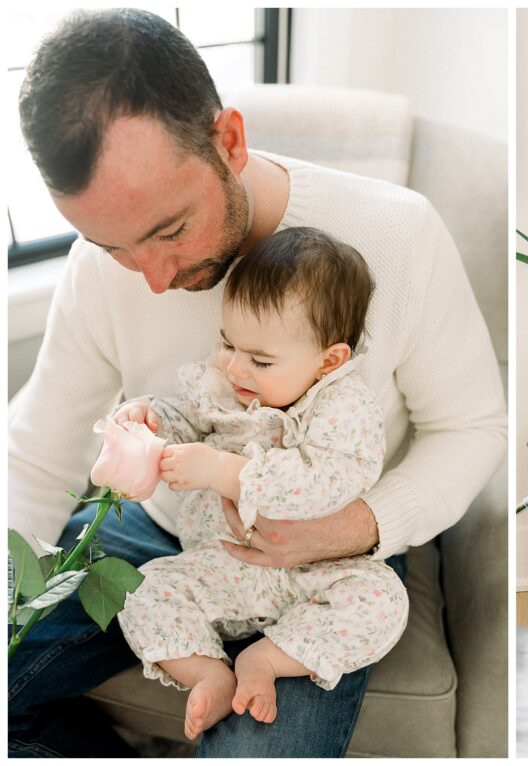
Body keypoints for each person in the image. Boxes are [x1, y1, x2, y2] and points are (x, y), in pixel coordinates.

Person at [9, 9, 505, 758]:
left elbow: (472, 427)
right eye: (113, 247)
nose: (153, 278)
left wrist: (357, 526)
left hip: (336, 549)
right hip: (162, 531)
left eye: (171, 230)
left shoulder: (400, 235)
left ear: (229, 142)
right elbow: (36, 461)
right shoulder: (98, 278)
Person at [113, 227, 409, 741]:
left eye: (260, 359)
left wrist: (227, 473)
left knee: (384, 601)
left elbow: (329, 479)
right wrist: (153, 420)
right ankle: (208, 672)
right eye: (227, 342)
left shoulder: (344, 406)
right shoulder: (228, 381)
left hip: (317, 568)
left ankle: (270, 657)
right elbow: (192, 416)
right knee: (142, 591)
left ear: (329, 360)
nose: (234, 365)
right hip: (223, 561)